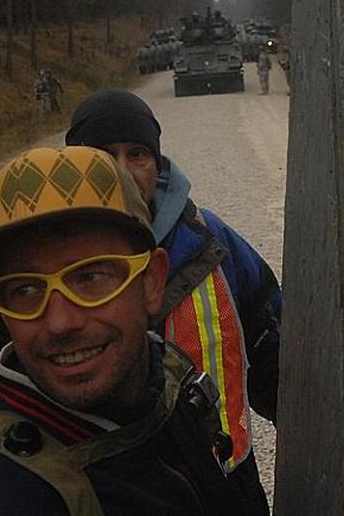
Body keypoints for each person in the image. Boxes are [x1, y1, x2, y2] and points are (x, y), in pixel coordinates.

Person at [0, 146, 258, 515]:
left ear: (153, 282)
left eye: (91, 277)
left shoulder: (171, 389)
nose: (61, 323)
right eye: (24, 290)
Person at [66, 90, 281, 515]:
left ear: (158, 166)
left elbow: (277, 355)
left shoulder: (211, 243)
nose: (123, 171)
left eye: (138, 154)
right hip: (104, 498)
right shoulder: (43, 261)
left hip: (224, 489)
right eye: (104, 155)